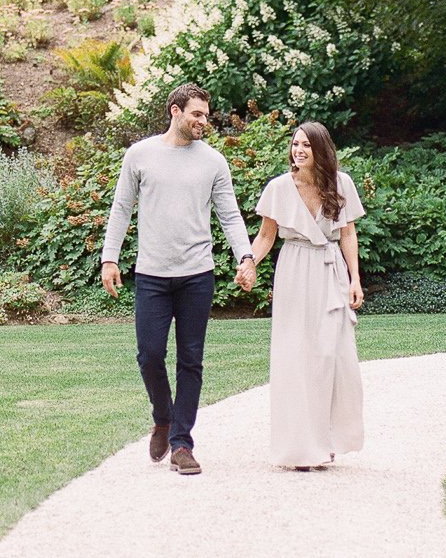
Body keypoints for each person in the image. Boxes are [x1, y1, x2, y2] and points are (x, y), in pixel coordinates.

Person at [100, 83, 256, 476]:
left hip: (196, 276)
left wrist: (247, 256)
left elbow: (230, 215)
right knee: (149, 355)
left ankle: (182, 443)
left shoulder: (213, 162)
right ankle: (162, 416)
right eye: (197, 114)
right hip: (152, 275)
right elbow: (121, 209)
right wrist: (110, 258)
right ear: (175, 111)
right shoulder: (140, 155)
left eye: (206, 114)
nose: (204, 121)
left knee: (191, 360)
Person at [249, 120, 366, 470]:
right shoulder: (279, 188)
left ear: (321, 150)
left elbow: (347, 234)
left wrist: (354, 279)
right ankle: (299, 447)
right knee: (296, 356)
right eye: (295, 144)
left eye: (306, 146)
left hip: (330, 272)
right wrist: (249, 262)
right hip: (295, 270)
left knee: (331, 356)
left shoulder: (340, 183)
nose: (298, 150)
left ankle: (326, 439)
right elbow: (267, 236)